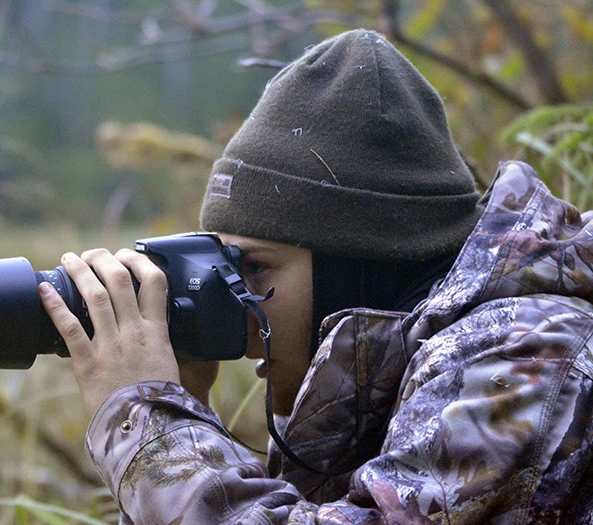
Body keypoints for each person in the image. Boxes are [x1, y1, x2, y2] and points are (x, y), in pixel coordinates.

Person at [38, 29, 593, 524]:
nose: (236, 304)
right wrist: (180, 409)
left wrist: (150, 427)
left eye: (253, 268)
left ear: (359, 262)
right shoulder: (382, 375)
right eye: (224, 263)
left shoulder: (528, 351)